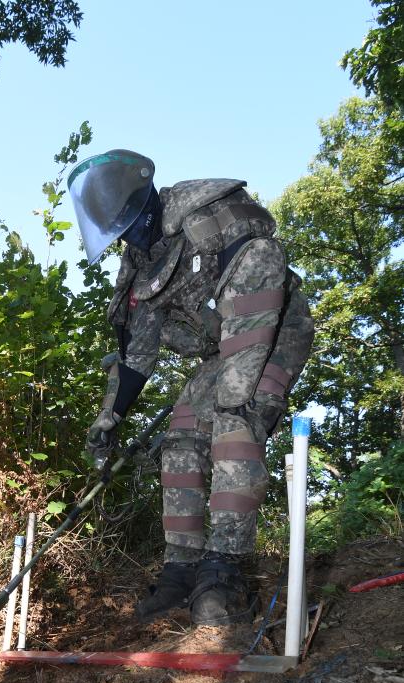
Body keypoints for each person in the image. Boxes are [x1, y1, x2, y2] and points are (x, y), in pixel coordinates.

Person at [67, 150, 314, 627]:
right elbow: (136, 355)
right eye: (120, 232)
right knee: (180, 438)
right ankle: (182, 567)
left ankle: (225, 566)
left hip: (275, 329)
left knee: (232, 420)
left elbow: (257, 293)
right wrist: (108, 416)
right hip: (219, 351)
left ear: (149, 203)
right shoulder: (139, 266)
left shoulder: (213, 220)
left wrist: (236, 398)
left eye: (133, 224)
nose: (130, 238)